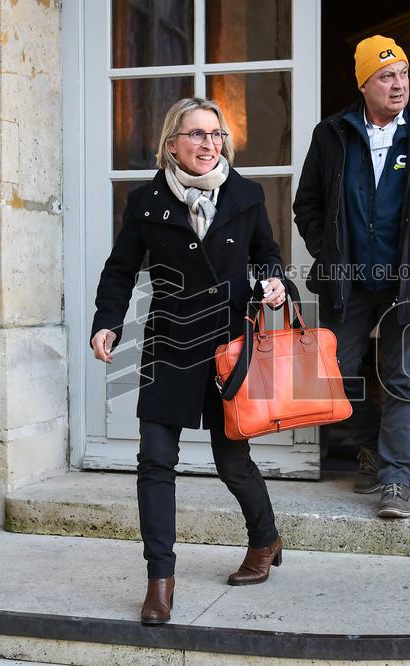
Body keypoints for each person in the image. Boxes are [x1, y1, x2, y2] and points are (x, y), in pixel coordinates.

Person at [90, 97, 287, 625]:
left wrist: (273, 283)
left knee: (232, 461)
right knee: (155, 461)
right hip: (170, 342)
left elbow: (268, 254)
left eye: (216, 135)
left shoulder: (245, 194)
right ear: (171, 143)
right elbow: (120, 268)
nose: (208, 144)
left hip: (228, 343)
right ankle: (160, 582)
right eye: (196, 134)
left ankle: (266, 540)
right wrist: (106, 320)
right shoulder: (147, 202)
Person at [293, 36, 410, 519]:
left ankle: (395, 480)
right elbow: (306, 203)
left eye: (404, 74)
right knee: (339, 374)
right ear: (364, 84)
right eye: (387, 76)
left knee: (402, 380)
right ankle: (370, 449)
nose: (399, 84)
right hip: (347, 279)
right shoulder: (332, 133)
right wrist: (327, 250)